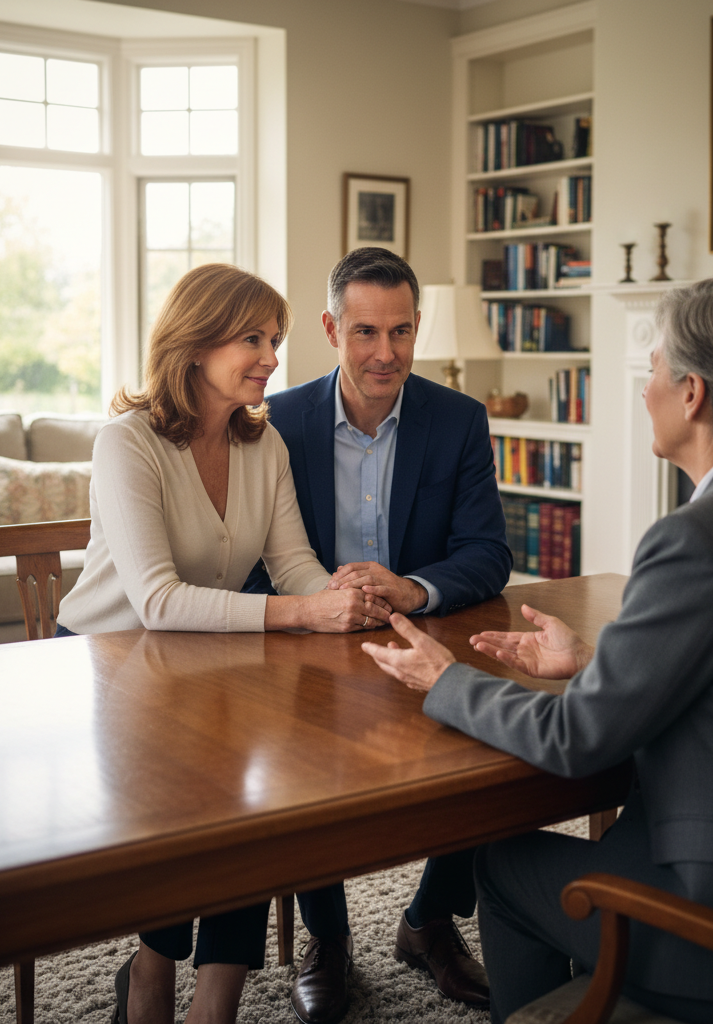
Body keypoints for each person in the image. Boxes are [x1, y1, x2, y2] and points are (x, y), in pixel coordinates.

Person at [363, 276, 713, 1024]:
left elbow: (575, 740)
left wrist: (447, 677)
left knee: (501, 866)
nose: (645, 387)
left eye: (653, 368)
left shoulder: (694, 538)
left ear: (691, 394)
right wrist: (596, 666)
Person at [56, 263, 391, 1024]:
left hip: (205, 658)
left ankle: (214, 1008)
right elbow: (157, 600)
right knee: (190, 802)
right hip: (103, 665)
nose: (271, 355)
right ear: (196, 339)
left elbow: (293, 565)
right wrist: (300, 617)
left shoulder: (260, 443)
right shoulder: (126, 442)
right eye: (252, 338)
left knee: (250, 804)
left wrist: (343, 597)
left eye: (275, 338)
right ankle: (149, 973)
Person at [242, 247, 512, 1023]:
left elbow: (489, 552)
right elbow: (249, 558)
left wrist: (414, 586)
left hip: (414, 636)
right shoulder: (276, 421)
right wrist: (314, 607)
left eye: (400, 332)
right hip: (303, 643)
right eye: (364, 332)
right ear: (331, 328)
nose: (384, 353)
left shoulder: (457, 419)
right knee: (292, 771)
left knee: (489, 741)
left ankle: (428, 920)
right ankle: (328, 938)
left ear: (418, 328)